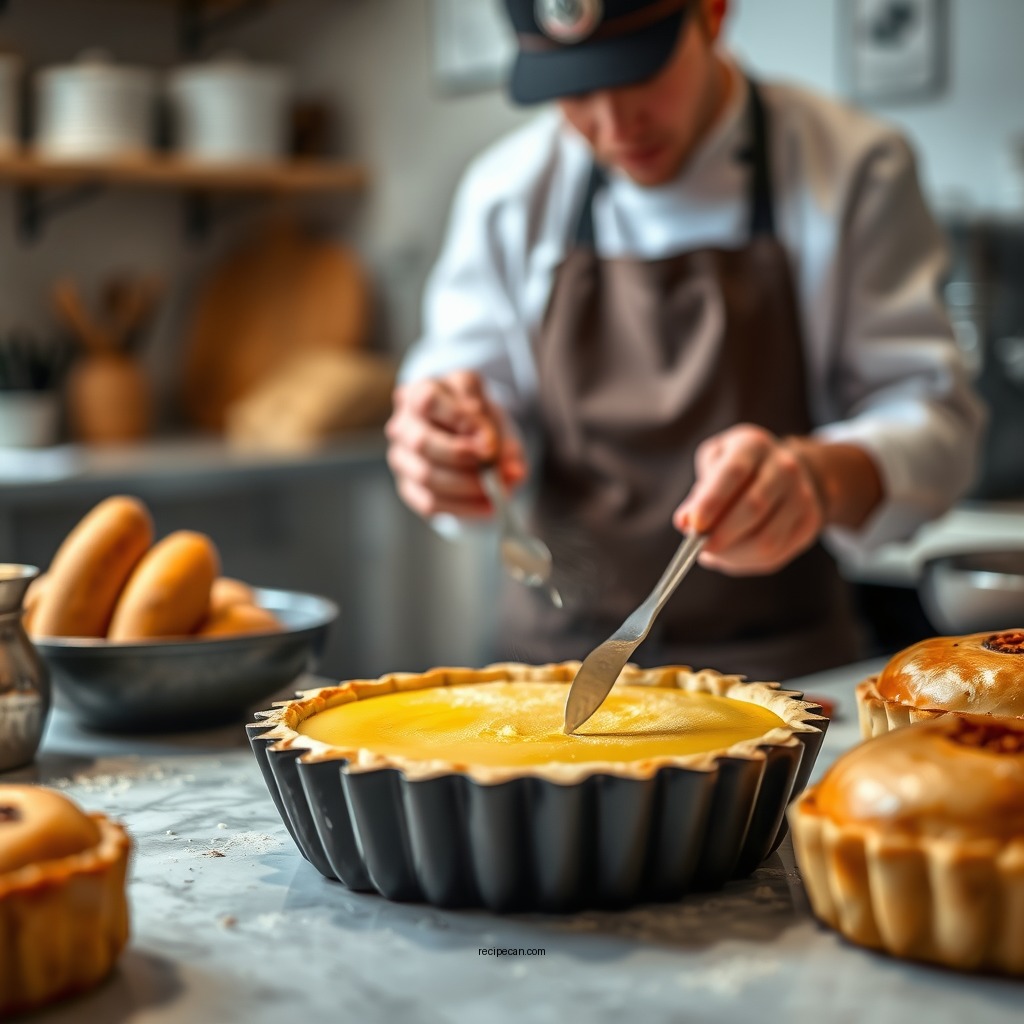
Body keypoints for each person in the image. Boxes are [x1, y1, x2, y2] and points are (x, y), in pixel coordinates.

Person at [385, 0, 984, 680]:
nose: (615, 126)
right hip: (555, 670)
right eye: (575, 91)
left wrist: (817, 479)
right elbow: (467, 386)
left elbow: (937, 425)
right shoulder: (507, 193)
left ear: (714, 12)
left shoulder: (852, 166)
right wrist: (450, 449)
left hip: (782, 672)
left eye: (639, 71)